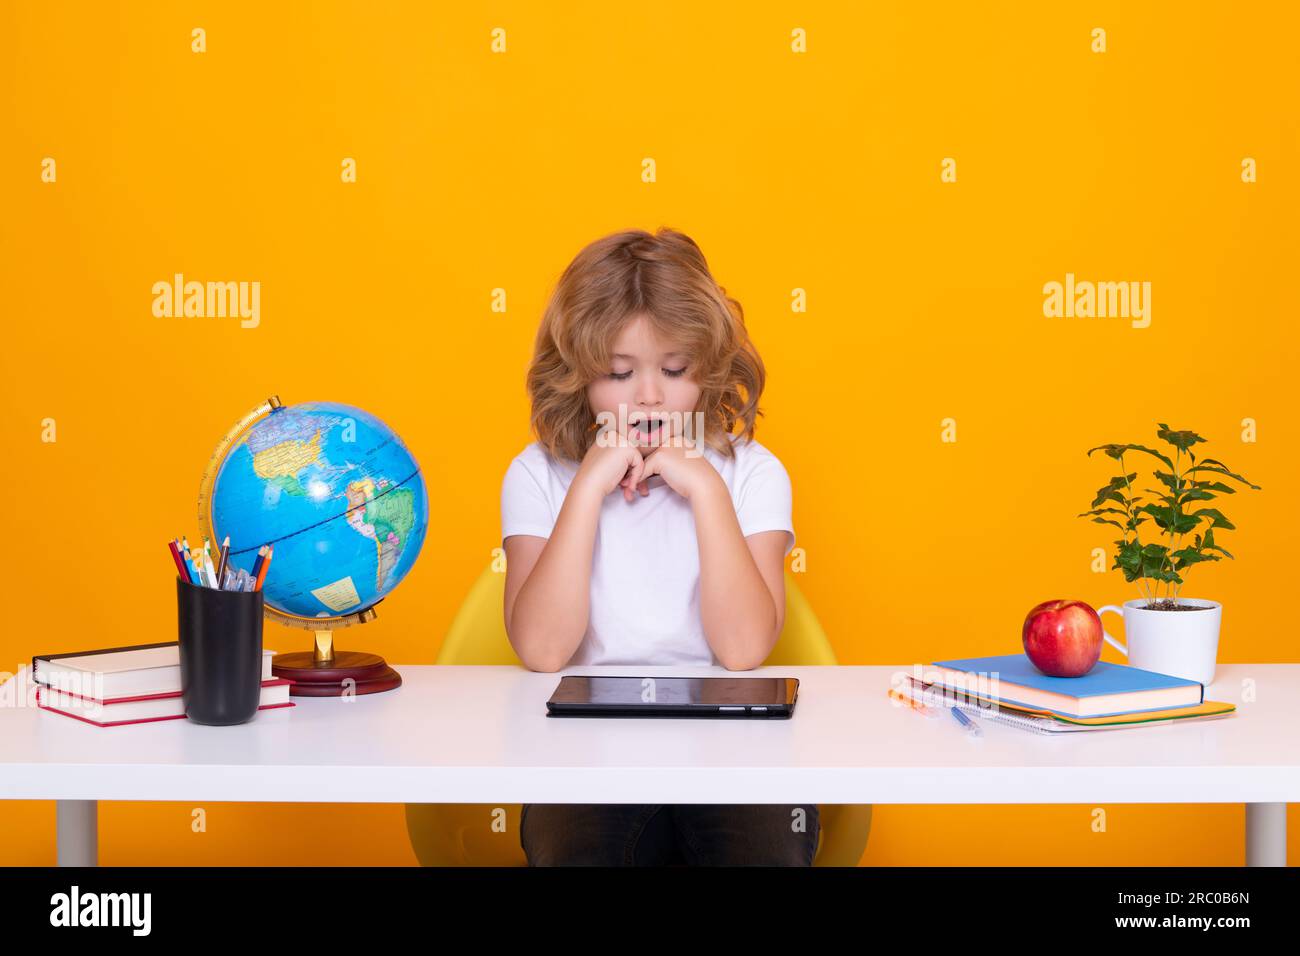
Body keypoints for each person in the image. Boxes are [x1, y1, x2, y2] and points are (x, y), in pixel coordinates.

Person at [501, 227, 819, 866]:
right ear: (578, 378)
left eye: (673, 371)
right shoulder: (536, 473)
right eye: (619, 374)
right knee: (574, 854)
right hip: (586, 749)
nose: (648, 396)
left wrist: (704, 489)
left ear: (708, 368)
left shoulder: (752, 473)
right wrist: (587, 487)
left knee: (762, 853)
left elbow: (743, 649)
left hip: (734, 747)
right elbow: (540, 649)